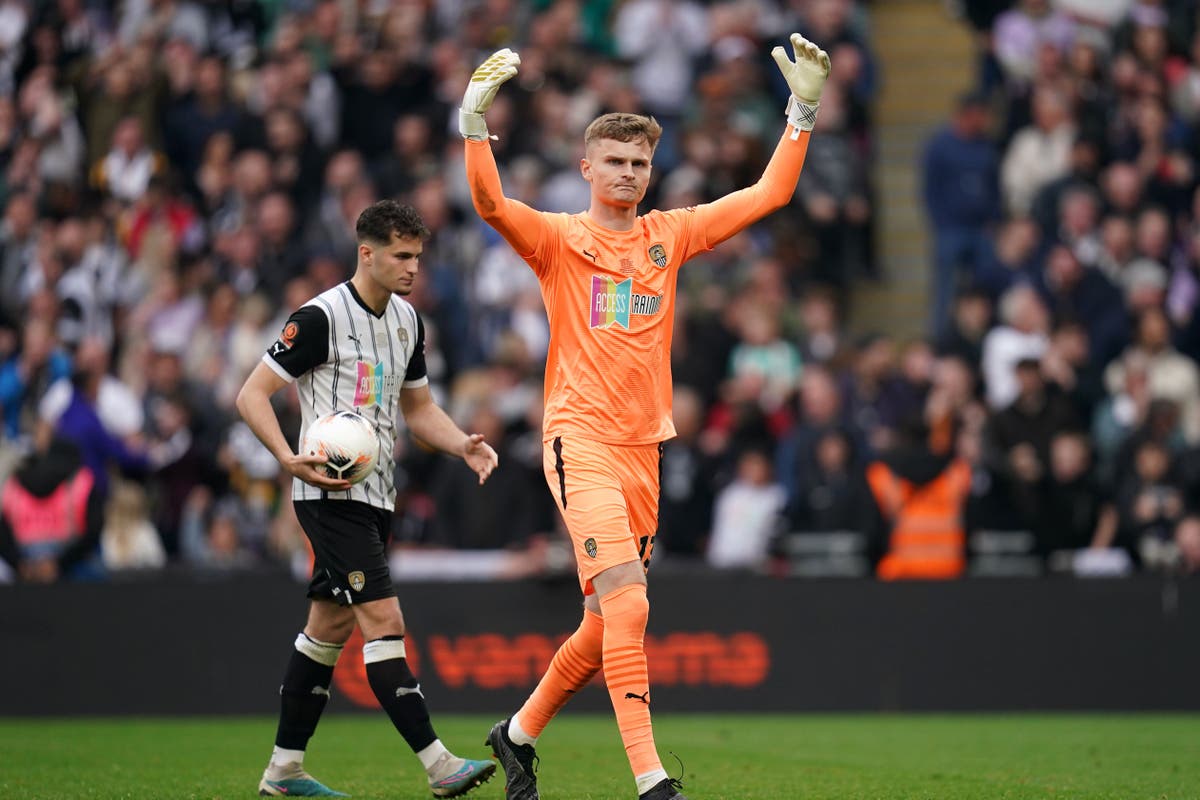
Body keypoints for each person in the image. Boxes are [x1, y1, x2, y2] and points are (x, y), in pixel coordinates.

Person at [460, 34, 830, 800]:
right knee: (631, 603)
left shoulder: (670, 235)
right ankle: (651, 779)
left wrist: (803, 111)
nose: (628, 173)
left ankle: (517, 735)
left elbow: (768, 197)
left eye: (640, 163)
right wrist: (473, 126)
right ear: (586, 168)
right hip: (580, 440)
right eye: (615, 161)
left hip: (645, 450)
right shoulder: (562, 241)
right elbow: (492, 204)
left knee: (604, 625)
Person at [235, 200, 499, 798]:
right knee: (385, 620)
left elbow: (419, 410)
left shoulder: (409, 321)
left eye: (417, 256)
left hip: (378, 497)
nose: (412, 268)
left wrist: (464, 446)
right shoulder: (321, 318)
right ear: (367, 253)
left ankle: (284, 771)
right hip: (327, 493)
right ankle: (438, 765)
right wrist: (285, 455)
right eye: (401, 256)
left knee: (327, 630)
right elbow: (252, 395)